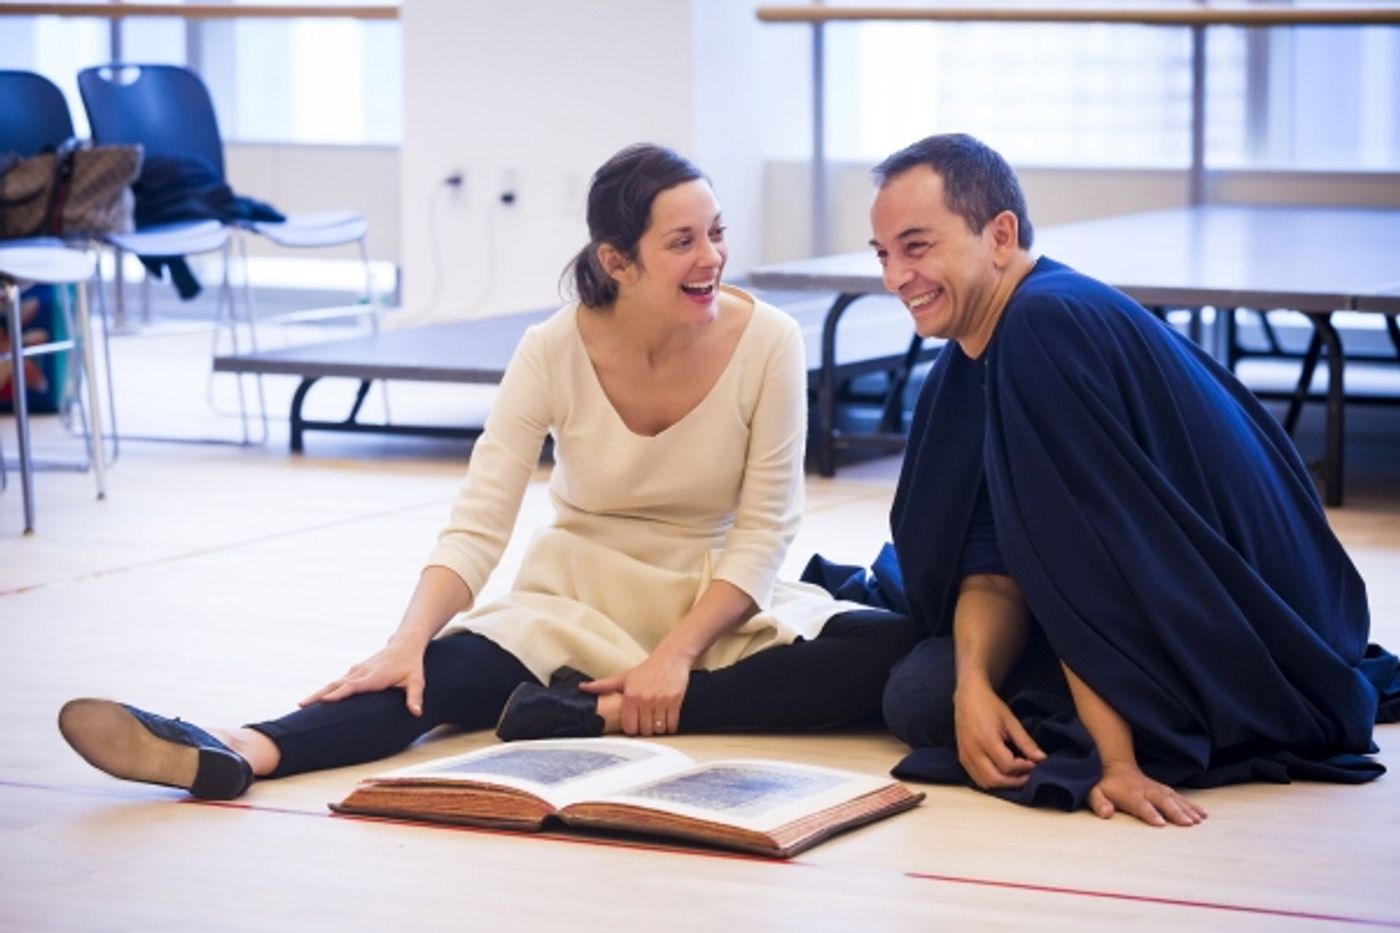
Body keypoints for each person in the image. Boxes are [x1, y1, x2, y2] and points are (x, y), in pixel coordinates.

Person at [59, 143, 917, 800]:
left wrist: (677, 658)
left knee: (880, 651)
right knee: (431, 679)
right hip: (574, 599)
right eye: (682, 241)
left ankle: (596, 712)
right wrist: (406, 639)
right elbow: (481, 515)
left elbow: (769, 526)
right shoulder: (550, 347)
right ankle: (244, 746)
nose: (712, 258)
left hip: (713, 601)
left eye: (717, 233)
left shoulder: (768, 338)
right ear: (616, 260)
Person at [806, 133, 1399, 828]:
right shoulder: (984, 346)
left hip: (1237, 632)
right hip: (1221, 602)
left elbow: (1085, 566)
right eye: (884, 254)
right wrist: (974, 682)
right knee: (938, 680)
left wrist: (1118, 762)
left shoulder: (1042, 328)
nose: (895, 277)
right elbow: (1000, 551)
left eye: (917, 246)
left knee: (914, 688)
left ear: (999, 235)